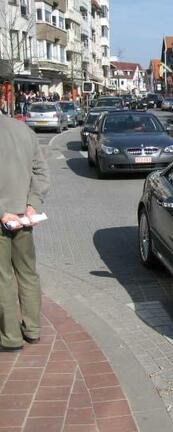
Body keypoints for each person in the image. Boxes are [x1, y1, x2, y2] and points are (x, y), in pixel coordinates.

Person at [0, 116, 50, 352]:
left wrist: (2, 213)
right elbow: (41, 171)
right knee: (28, 274)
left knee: (3, 278)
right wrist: (32, 205)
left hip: (5, 218)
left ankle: (10, 337)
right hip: (24, 217)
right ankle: (32, 330)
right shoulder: (23, 130)